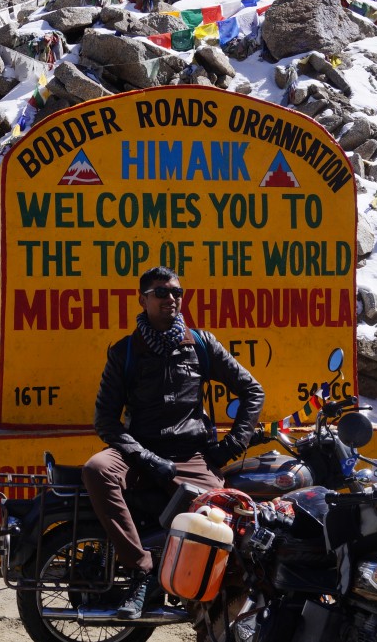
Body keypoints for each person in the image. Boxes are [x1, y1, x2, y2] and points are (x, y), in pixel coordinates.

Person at [83, 266, 264, 620]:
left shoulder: (201, 344)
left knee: (220, 516)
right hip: (137, 452)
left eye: (177, 292)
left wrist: (232, 444)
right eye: (161, 292)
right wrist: (146, 458)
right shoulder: (126, 352)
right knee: (96, 469)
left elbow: (252, 391)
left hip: (190, 453)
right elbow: (105, 419)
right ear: (142, 298)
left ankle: (208, 601)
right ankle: (142, 571)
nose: (171, 299)